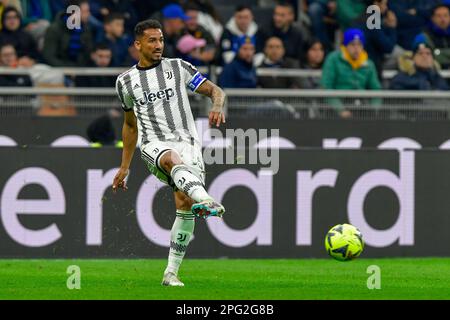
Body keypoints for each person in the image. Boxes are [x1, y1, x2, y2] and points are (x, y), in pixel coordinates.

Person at [113, 19, 226, 287]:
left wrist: (219, 104)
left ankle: (171, 273)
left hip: (188, 143)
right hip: (154, 144)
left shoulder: (179, 67)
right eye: (152, 40)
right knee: (169, 159)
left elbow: (215, 90)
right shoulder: (126, 82)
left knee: (185, 205)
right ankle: (209, 200)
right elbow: (130, 126)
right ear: (138, 44)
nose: (158, 45)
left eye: (161, 40)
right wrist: (124, 166)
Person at [320, 28, 381, 118]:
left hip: (362, 107)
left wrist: (374, 109)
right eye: (352, 44)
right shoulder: (333, 59)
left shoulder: (369, 64)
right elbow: (326, 87)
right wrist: (340, 110)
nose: (356, 48)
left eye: (359, 44)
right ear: (345, 45)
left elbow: (376, 89)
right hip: (337, 107)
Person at [42, 0, 94, 66]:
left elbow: (87, 53)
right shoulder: (54, 29)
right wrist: (68, 69)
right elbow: (49, 56)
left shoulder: (86, 29)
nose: (89, 14)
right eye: (85, 11)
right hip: (59, 70)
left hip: (80, 71)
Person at [414, 4, 450, 69]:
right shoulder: (423, 36)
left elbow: (435, 54)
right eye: (439, 16)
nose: (443, 19)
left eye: (446, 15)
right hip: (433, 72)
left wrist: (439, 52)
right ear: (432, 18)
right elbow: (426, 56)